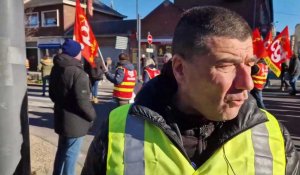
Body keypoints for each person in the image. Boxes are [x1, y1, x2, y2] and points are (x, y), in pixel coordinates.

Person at [82, 6, 299, 175]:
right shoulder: (117, 129)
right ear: (180, 69)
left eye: (249, 64)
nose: (247, 83)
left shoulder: (272, 134)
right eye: (225, 65)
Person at [49, 39, 96, 175]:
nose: (81, 54)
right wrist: (93, 116)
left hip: (61, 118)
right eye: (80, 51)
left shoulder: (56, 68)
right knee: (71, 154)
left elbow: (52, 94)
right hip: (76, 122)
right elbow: (83, 103)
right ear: (75, 53)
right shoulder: (78, 73)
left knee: (62, 150)